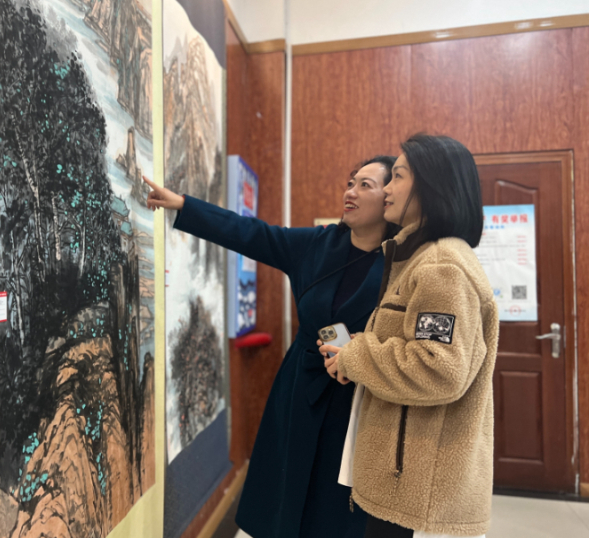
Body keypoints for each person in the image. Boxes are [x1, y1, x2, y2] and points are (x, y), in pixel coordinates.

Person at [144, 156, 399, 538]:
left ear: (388, 199)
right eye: (351, 182)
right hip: (300, 389)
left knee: (337, 506)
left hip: (359, 399)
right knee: (288, 494)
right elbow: (250, 233)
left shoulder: (401, 264)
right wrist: (185, 206)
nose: (351, 192)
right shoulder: (317, 244)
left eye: (366, 185)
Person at [320, 135, 499, 538]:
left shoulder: (441, 266)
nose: (386, 189)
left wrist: (356, 356)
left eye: (397, 177)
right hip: (405, 479)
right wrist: (358, 352)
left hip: (417, 491)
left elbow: (438, 369)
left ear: (431, 185)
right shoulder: (420, 257)